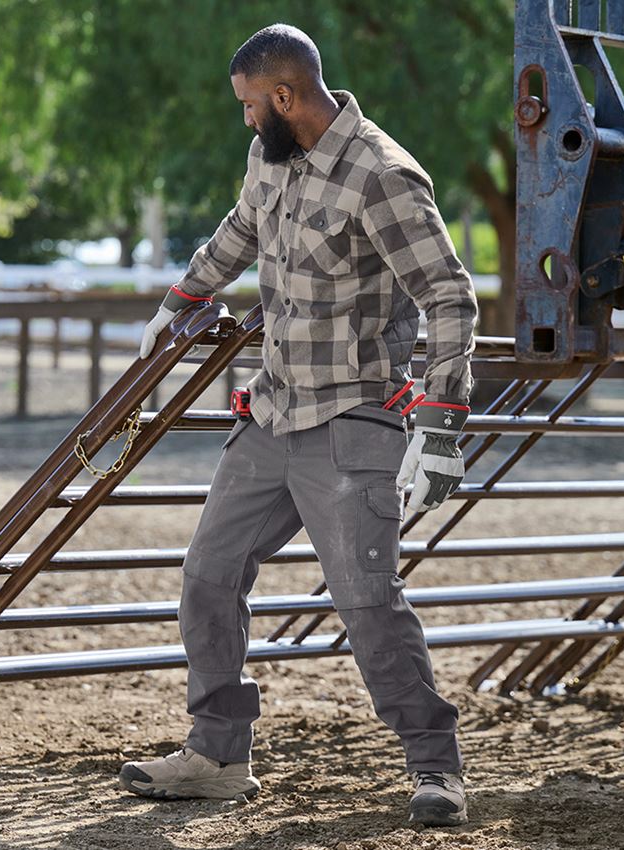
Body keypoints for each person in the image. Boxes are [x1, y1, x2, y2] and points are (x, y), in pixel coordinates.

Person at [119, 23, 477, 827]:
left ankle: (435, 767)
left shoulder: (384, 177)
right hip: (272, 409)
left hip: (352, 420)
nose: (245, 120)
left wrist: (443, 427)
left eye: (251, 106)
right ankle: (217, 756)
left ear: (285, 97)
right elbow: (242, 228)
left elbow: (450, 298)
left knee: (366, 602)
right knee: (208, 576)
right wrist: (182, 300)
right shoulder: (272, 157)